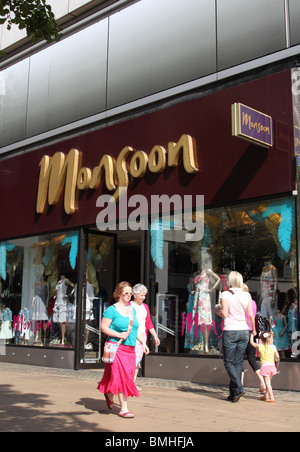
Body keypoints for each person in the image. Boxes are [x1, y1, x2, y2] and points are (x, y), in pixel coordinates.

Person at [97, 282, 149, 419]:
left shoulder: (131, 310)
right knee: (123, 377)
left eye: (130, 293)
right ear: (119, 293)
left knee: (122, 375)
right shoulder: (112, 310)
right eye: (126, 293)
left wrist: (143, 343)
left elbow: (135, 329)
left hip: (130, 349)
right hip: (117, 347)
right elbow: (104, 328)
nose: (128, 295)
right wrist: (118, 334)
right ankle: (124, 408)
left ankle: (109, 394)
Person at [215, 271, 256, 403]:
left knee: (228, 362)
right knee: (238, 362)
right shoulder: (247, 295)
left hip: (231, 330)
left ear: (230, 281)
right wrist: (253, 330)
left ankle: (238, 387)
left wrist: (218, 312)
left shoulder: (225, 294)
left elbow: (225, 314)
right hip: (244, 330)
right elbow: (250, 315)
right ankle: (233, 394)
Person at [131, 284, 160, 386]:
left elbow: (148, 323)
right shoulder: (130, 306)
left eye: (144, 295)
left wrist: (155, 335)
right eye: (141, 295)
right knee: (132, 360)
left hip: (143, 335)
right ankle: (128, 383)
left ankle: (132, 383)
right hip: (132, 336)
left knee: (138, 360)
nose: (143, 298)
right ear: (134, 295)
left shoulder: (145, 307)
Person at [242, 284, 266, 394]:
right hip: (251, 331)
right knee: (252, 359)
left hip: (241, 330)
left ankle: (240, 385)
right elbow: (253, 316)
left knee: (238, 359)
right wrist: (254, 330)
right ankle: (263, 382)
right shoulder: (253, 303)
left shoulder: (241, 302)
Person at [250, 331, 280, 403]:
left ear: (261, 339)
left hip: (265, 367)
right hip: (272, 366)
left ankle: (272, 397)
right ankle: (265, 396)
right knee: (269, 382)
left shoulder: (260, 346)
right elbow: (277, 357)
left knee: (267, 383)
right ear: (270, 339)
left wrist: (251, 335)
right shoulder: (273, 347)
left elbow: (252, 343)